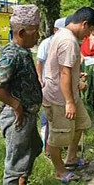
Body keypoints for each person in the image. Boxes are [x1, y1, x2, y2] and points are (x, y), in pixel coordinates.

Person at [0, 5, 42, 185]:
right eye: (35, 32)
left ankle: (22, 180)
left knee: (35, 147)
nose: (38, 36)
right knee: (15, 165)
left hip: (28, 114)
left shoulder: (22, 52)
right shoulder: (12, 54)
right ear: (23, 32)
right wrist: (15, 104)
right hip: (18, 117)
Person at [42, 7, 94, 183]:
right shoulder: (68, 41)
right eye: (90, 31)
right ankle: (60, 171)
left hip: (70, 94)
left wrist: (77, 79)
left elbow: (67, 70)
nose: (89, 36)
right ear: (84, 24)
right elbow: (64, 73)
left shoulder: (65, 36)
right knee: (58, 136)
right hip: (59, 98)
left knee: (82, 122)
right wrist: (69, 102)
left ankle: (71, 159)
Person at [36, 17, 66, 155]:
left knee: (60, 116)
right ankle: (46, 146)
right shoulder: (46, 43)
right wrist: (40, 79)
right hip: (48, 84)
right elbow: (40, 62)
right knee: (48, 117)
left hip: (62, 85)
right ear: (55, 30)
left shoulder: (66, 43)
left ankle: (59, 145)